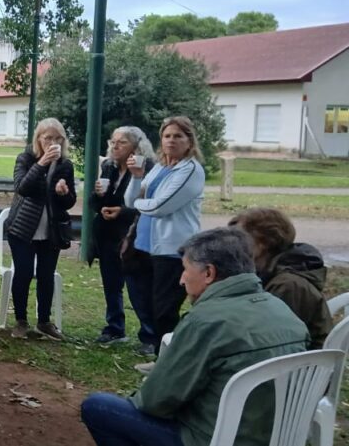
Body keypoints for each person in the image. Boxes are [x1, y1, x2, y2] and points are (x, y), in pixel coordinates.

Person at [81, 227, 309, 446]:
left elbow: (155, 402)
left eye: (185, 269)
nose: (181, 280)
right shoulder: (284, 312)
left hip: (213, 438)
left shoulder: (206, 321)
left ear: (209, 273)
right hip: (279, 438)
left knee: (99, 407)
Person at [124, 116, 205, 373]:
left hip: (172, 249)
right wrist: (136, 178)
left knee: (165, 309)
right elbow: (130, 200)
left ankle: (169, 363)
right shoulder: (160, 167)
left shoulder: (190, 170)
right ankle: (162, 358)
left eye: (178, 136)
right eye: (167, 136)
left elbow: (161, 206)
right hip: (145, 244)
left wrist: (141, 202)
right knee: (148, 304)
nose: (171, 141)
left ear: (189, 141)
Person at [4, 118, 76, 341]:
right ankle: (21, 321)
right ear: (38, 139)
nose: (53, 143)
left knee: (46, 275)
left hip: (51, 229)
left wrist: (64, 193)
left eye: (58, 138)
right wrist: (42, 162)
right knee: (23, 273)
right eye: (48, 138)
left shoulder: (65, 165)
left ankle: (44, 321)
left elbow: (70, 201)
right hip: (22, 228)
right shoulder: (25, 158)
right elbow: (22, 188)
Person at [88, 126, 156, 349]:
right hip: (107, 234)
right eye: (113, 141)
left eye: (122, 142)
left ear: (136, 147)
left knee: (138, 287)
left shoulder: (147, 169)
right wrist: (98, 196)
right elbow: (94, 203)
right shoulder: (109, 166)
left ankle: (149, 336)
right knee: (111, 284)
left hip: (132, 236)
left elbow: (148, 205)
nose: (115, 146)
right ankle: (115, 328)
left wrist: (122, 212)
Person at [229, 208, 332, 349]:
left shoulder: (288, 285)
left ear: (263, 242)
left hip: (302, 360)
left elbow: (271, 337)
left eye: (239, 239)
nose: (233, 246)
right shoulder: (267, 273)